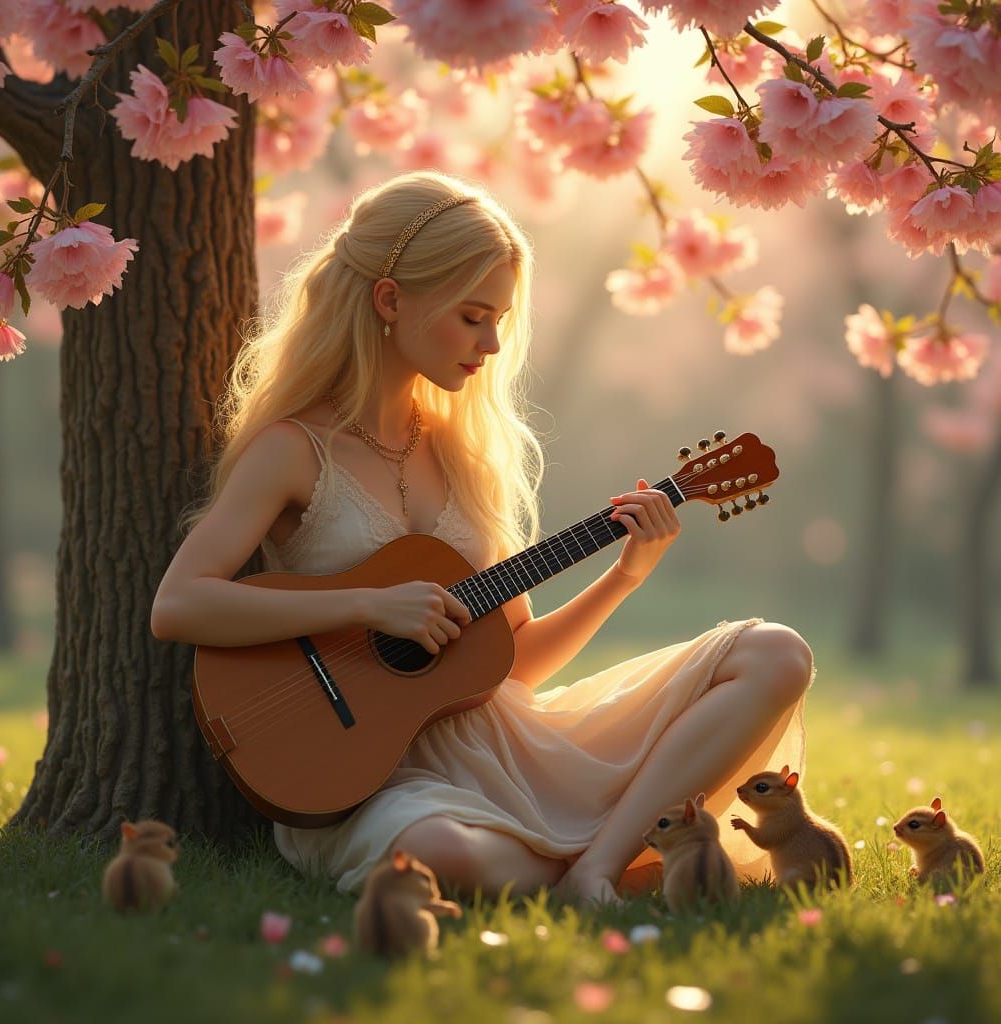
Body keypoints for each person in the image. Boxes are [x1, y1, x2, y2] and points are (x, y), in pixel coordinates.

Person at [151, 169, 813, 905]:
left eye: (499, 319)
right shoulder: (293, 449)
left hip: (503, 744)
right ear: (390, 301)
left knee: (775, 653)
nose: (492, 343)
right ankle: (614, 847)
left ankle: (593, 867)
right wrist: (367, 607)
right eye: (473, 317)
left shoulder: (468, 456)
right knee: (438, 855)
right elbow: (179, 605)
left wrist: (624, 577)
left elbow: (513, 663)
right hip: (366, 778)